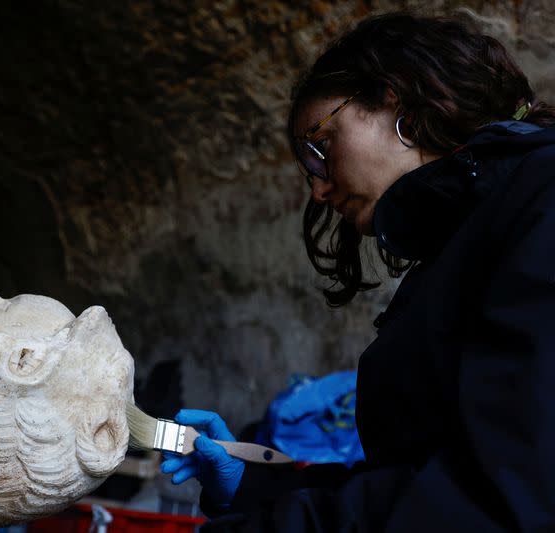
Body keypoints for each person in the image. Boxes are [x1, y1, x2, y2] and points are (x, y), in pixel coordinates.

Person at [161, 11, 555, 532]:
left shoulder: (543, 197)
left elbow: (504, 498)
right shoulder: (463, 244)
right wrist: (251, 485)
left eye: (320, 148)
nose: (318, 190)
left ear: (398, 101)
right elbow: (415, 479)